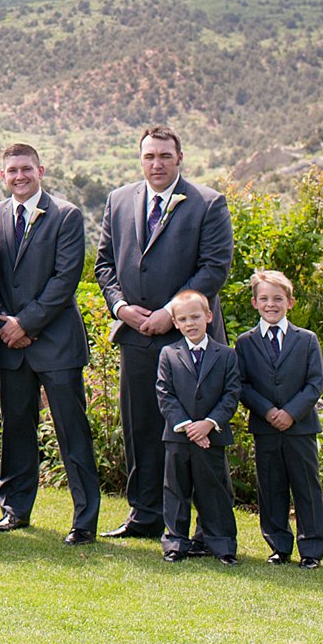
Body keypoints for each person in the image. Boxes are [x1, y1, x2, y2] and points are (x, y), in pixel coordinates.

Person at [95, 125, 235, 539]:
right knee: (141, 428)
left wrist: (169, 313)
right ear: (141, 159)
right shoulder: (119, 200)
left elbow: (214, 268)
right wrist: (121, 308)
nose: (156, 164)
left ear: (179, 158)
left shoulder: (208, 204)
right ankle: (145, 515)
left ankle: (208, 529)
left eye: (164, 156)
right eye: (149, 156)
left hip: (189, 340)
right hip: (136, 336)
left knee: (197, 432)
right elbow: (104, 264)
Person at [0, 142, 101, 543]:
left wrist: (27, 324)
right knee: (17, 430)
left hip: (55, 343)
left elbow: (64, 279)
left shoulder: (66, 216)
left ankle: (84, 519)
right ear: (3, 176)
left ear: (41, 171)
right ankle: (15, 510)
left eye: (26, 169)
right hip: (10, 345)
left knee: (72, 431)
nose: (20, 176)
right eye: (12, 170)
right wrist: (6, 323)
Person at [235, 269, 323, 567]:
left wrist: (290, 412)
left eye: (277, 299)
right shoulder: (245, 342)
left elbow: (314, 383)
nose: (270, 304)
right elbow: (242, 384)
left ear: (290, 302)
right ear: (254, 303)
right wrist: (268, 411)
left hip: (300, 428)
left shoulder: (306, 340)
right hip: (266, 427)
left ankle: (311, 549)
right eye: (264, 299)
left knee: (306, 487)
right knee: (271, 487)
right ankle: (278, 545)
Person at [156, 289, 241, 564]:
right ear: (176, 323)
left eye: (195, 316)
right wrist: (187, 426)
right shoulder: (169, 354)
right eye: (183, 319)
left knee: (214, 491)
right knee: (176, 491)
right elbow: (164, 393)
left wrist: (208, 424)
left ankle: (222, 546)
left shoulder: (226, 355)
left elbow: (231, 394)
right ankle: (176, 544)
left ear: (208, 316)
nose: (190, 323)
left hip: (212, 436)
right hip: (178, 437)